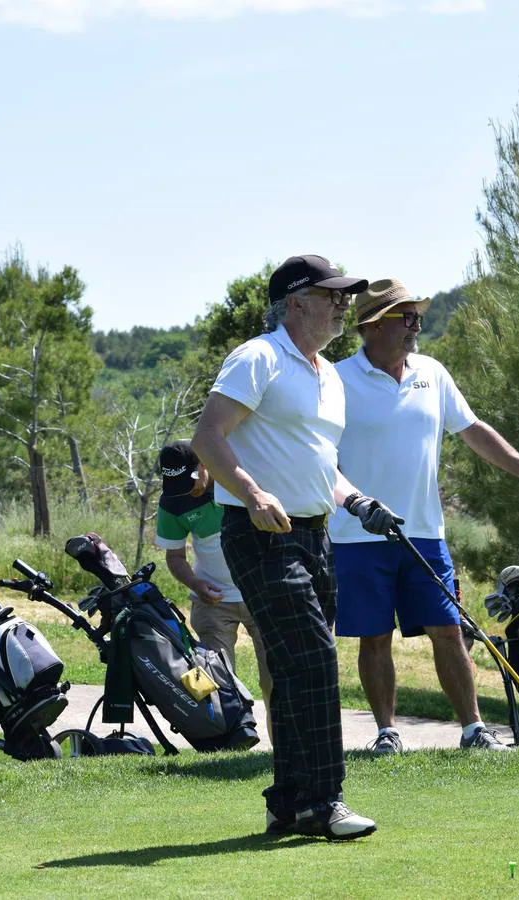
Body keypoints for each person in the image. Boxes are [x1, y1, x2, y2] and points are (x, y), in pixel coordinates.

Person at [192, 254, 401, 842]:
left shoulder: (329, 375)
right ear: (295, 302)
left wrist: (359, 502)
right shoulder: (258, 357)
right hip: (260, 532)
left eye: (344, 295)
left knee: (291, 667)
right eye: (331, 294)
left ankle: (288, 803)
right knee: (312, 658)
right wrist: (254, 493)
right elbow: (207, 437)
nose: (342, 303)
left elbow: (320, 464)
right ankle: (323, 801)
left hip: (317, 534)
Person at [329, 278, 519, 755]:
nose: (417, 324)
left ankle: (474, 729)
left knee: (449, 630)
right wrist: (352, 503)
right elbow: (320, 456)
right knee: (374, 638)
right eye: (406, 316)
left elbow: (473, 430)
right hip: (359, 533)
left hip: (424, 532)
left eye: (418, 316)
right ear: (373, 325)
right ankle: (386, 732)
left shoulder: (432, 373)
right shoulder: (335, 380)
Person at [154, 439, 273, 738]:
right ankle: (231, 746)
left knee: (276, 680)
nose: (186, 489)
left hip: (263, 593)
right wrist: (195, 583)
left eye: (190, 479)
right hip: (213, 601)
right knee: (218, 682)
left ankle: (282, 753)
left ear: (204, 464)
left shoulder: (240, 480)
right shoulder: (172, 501)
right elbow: (175, 557)